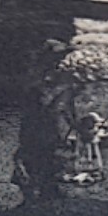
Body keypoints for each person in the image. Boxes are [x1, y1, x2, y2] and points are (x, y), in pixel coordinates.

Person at [12, 39, 79, 205]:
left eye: (62, 57)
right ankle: (33, 199)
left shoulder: (62, 78)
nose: (60, 61)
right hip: (35, 128)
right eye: (57, 57)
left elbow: (67, 108)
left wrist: (74, 126)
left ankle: (49, 195)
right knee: (34, 161)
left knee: (50, 161)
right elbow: (39, 104)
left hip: (50, 128)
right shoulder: (35, 78)